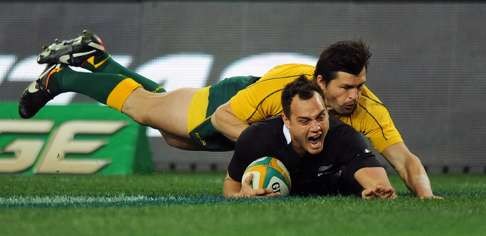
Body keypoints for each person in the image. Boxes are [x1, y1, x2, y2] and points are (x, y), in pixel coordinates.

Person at [19, 30, 439, 198]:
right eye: (346, 87)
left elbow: (404, 159)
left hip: (259, 118)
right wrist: (275, 153)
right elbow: (224, 119)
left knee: (171, 129)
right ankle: (63, 78)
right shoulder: (280, 91)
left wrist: (425, 196)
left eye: (360, 85)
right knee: (147, 111)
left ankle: (96, 61)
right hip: (231, 105)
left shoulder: (366, 106)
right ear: (321, 81)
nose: (354, 96)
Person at [223, 76, 396, 199]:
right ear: (286, 120)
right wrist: (242, 195)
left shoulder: (343, 136)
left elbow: (372, 175)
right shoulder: (256, 139)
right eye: (305, 121)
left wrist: (377, 189)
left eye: (321, 117)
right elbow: (231, 187)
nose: (316, 128)